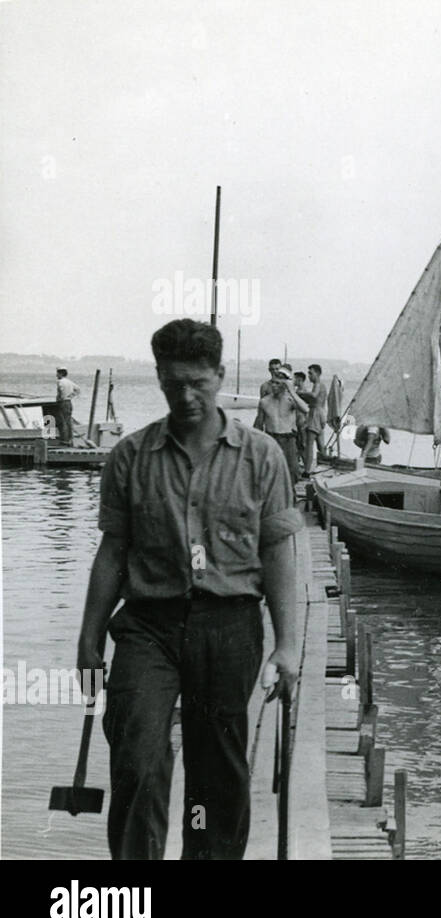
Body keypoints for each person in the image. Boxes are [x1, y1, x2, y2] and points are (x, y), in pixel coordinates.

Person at [75, 318, 301, 860]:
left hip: (229, 626)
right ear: (157, 378)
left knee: (217, 772)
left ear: (219, 375)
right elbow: (112, 551)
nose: (186, 394)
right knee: (138, 757)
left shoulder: (262, 456)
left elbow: (277, 552)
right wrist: (87, 639)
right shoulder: (130, 457)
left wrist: (289, 645)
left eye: (198, 382)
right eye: (173, 382)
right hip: (147, 628)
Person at [255, 368, 309, 482]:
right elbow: (259, 424)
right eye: (273, 382)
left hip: (288, 440)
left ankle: (291, 496)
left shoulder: (290, 400)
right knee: (270, 473)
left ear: (285, 385)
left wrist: (292, 391)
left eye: (278, 383)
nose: (274, 386)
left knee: (293, 472)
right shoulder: (264, 402)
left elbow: (305, 409)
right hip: (271, 438)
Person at [302, 364, 326, 474]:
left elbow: (314, 396)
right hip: (320, 413)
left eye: (311, 373)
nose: (309, 376)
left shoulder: (318, 384)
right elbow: (314, 399)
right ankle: (325, 467)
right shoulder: (321, 385)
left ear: (317, 373)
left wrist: (300, 393)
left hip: (315, 414)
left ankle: (307, 471)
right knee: (321, 444)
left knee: (309, 444)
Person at [55, 367, 80, 444]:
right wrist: (71, 396)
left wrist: (60, 398)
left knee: (62, 421)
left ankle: (64, 439)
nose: (56, 375)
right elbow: (78, 389)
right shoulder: (69, 382)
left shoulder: (60, 382)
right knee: (68, 421)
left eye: (57, 373)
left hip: (63, 402)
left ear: (61, 373)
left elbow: (61, 392)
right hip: (69, 402)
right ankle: (70, 439)